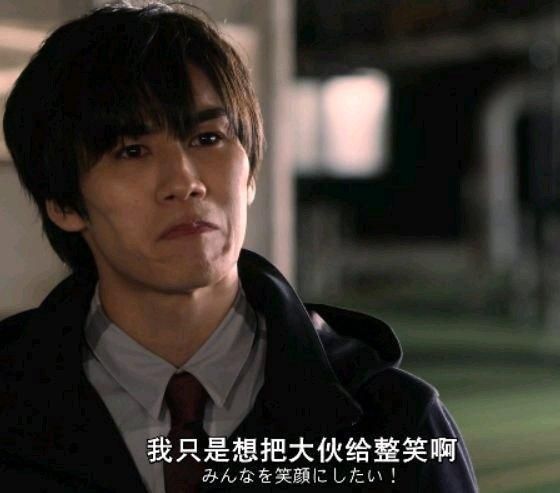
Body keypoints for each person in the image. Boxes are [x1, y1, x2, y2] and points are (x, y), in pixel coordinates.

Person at [0, 2, 478, 492]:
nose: (185, 182)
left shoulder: (393, 422)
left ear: (249, 173)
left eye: (207, 138)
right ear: (64, 204)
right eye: (132, 151)